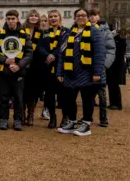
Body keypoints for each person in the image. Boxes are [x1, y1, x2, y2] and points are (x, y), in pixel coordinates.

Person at [57, 8, 105, 136]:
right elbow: (61, 54)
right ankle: (72, 122)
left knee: (87, 99)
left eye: (84, 15)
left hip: (87, 72)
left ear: (88, 17)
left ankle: (86, 124)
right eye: (78, 15)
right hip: (70, 72)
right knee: (69, 99)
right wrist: (59, 73)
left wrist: (97, 73)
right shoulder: (68, 34)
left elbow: (99, 54)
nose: (81, 17)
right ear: (74, 17)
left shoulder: (95, 32)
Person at [0, 10, 33, 131]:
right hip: (4, 70)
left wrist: (19, 65)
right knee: (4, 97)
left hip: (19, 72)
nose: (10, 21)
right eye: (8, 18)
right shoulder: (0, 35)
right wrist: (4, 60)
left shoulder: (24, 34)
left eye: (13, 18)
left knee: (18, 98)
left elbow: (29, 54)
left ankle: (17, 120)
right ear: (6, 20)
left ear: (17, 19)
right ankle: (4, 119)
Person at [38, 10, 69, 129]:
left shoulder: (66, 31)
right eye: (51, 17)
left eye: (55, 16)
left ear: (60, 17)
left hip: (61, 67)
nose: (53, 19)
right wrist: (47, 55)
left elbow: (64, 45)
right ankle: (53, 118)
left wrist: (54, 55)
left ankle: (65, 117)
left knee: (63, 95)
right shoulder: (44, 32)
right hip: (48, 67)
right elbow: (39, 47)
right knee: (49, 95)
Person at [89, 9, 115, 127]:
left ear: (98, 17)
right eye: (90, 16)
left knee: (102, 94)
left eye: (94, 15)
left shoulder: (105, 32)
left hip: (99, 66)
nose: (92, 18)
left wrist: (104, 65)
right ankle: (88, 117)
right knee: (88, 94)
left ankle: (103, 118)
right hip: (87, 66)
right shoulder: (85, 30)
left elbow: (111, 49)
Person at [22, 10, 43, 126]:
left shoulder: (41, 31)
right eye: (31, 15)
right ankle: (22, 114)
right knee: (22, 90)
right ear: (28, 17)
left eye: (36, 16)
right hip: (23, 63)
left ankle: (30, 114)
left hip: (36, 64)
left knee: (33, 91)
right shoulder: (22, 30)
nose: (33, 17)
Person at [107, 29, 127, 110]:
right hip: (111, 67)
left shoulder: (120, 40)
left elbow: (121, 52)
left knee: (115, 86)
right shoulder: (110, 40)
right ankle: (112, 103)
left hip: (117, 67)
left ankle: (118, 104)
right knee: (111, 85)